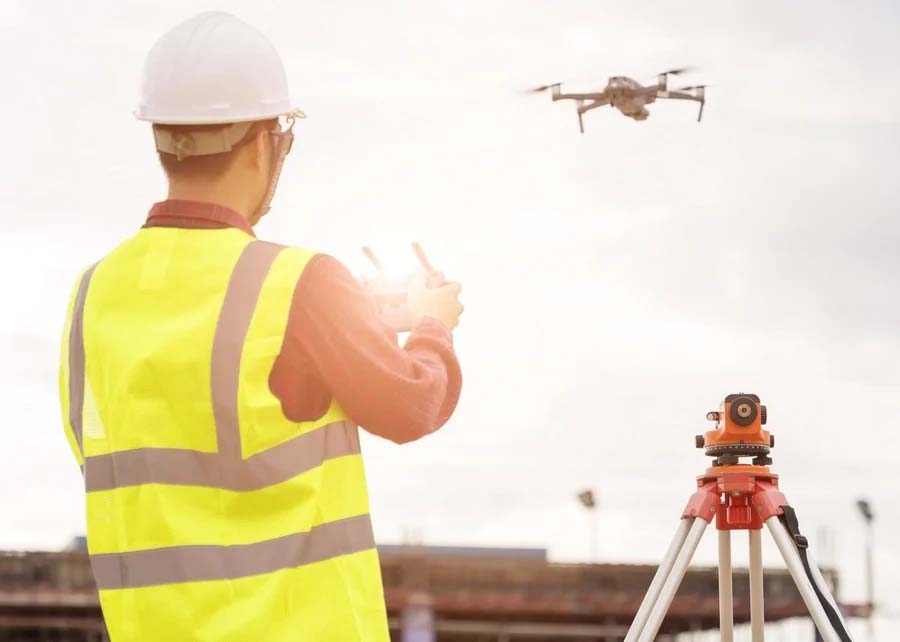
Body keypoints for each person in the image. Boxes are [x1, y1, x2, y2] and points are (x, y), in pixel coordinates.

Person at [57, 11, 463, 642]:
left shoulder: (92, 294)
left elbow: (189, 425)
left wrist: (355, 330)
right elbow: (411, 404)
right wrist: (432, 328)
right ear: (268, 141)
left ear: (160, 138)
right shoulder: (298, 281)